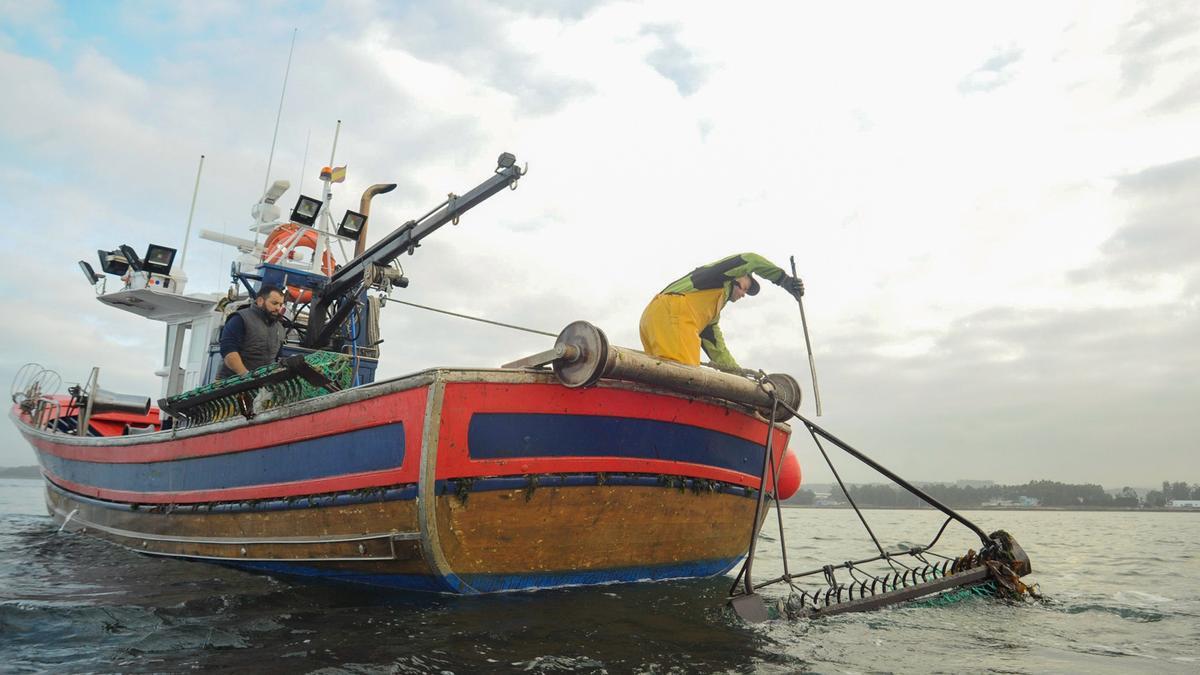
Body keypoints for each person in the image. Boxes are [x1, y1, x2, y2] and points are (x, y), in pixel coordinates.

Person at [639, 253, 804, 370]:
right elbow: (751, 259)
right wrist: (783, 280)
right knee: (684, 377)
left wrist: (738, 374)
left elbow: (718, 350)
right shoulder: (718, 275)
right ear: (736, 276)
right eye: (744, 288)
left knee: (658, 373)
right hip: (673, 313)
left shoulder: (709, 315)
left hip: (651, 317)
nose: (743, 294)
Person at [215, 284, 288, 380]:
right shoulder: (240, 319)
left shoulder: (280, 328)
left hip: (261, 384)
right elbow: (228, 352)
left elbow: (278, 358)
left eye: (280, 304)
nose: (278, 308)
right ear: (260, 301)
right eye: (274, 303)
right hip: (231, 384)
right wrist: (246, 377)